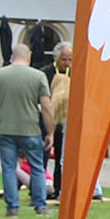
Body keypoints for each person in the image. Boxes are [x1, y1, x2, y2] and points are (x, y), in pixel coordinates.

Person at [0, 40, 49, 218]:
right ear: (29, 58)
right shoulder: (39, 76)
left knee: (8, 167)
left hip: (5, 129)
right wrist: (50, 132)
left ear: (11, 57)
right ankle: (40, 206)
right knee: (37, 167)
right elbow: (47, 106)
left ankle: (12, 208)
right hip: (31, 129)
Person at [43, 44, 74, 202]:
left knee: (62, 158)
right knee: (43, 155)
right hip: (48, 120)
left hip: (65, 120)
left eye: (70, 59)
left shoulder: (75, 72)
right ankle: (40, 189)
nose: (67, 63)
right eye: (64, 59)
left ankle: (59, 188)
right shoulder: (45, 73)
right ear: (56, 58)